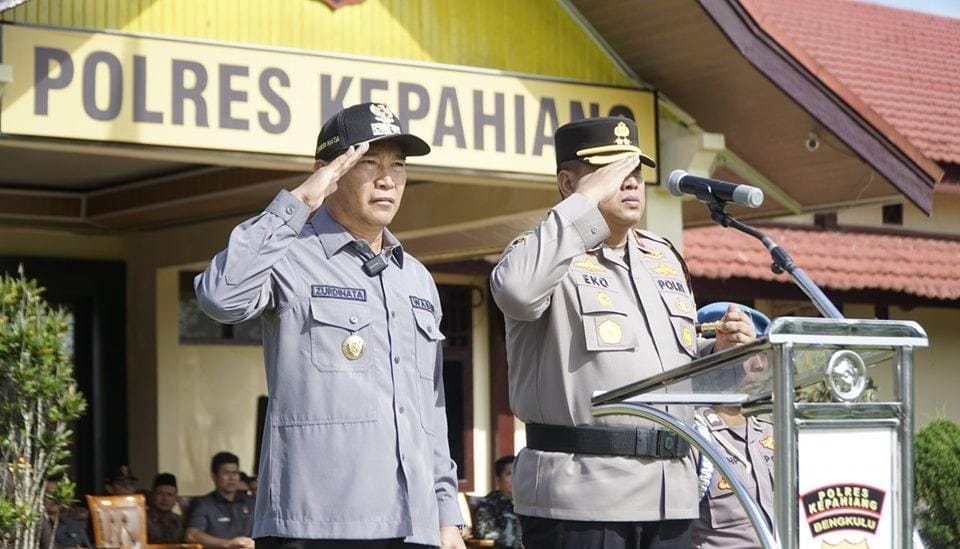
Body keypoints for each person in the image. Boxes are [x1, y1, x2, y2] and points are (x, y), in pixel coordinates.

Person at [195, 102, 464, 549]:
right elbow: (220, 298)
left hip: (414, 524)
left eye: (398, 167)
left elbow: (429, 411)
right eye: (368, 163)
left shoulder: (415, 277)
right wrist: (301, 201)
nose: (388, 179)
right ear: (329, 171)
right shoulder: (287, 254)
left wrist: (445, 512)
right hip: (316, 523)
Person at [490, 116, 757, 549]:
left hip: (670, 495)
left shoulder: (662, 258)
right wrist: (584, 203)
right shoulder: (540, 255)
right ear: (568, 182)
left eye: (635, 171)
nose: (631, 182)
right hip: (583, 496)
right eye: (612, 172)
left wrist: (718, 352)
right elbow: (518, 294)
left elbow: (673, 368)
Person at [691, 303, 775, 549]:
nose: (759, 365)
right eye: (747, 354)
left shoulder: (773, 434)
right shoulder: (690, 438)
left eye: (763, 353)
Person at [185, 452, 255, 549]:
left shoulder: (251, 503)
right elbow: (192, 535)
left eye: (235, 473)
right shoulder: (203, 504)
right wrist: (229, 544)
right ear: (214, 476)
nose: (232, 478)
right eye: (226, 473)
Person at [473, 456, 521, 548]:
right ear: (498, 479)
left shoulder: (526, 504)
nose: (514, 479)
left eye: (518, 474)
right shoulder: (488, 504)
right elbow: (485, 533)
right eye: (509, 474)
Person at [40, 475, 92, 549]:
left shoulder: (75, 525)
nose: (55, 499)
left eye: (59, 493)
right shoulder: (34, 525)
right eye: (50, 494)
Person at [148, 472, 185, 544]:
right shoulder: (143, 521)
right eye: (160, 494)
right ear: (152, 496)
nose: (165, 498)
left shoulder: (181, 522)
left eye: (170, 495)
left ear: (175, 499)